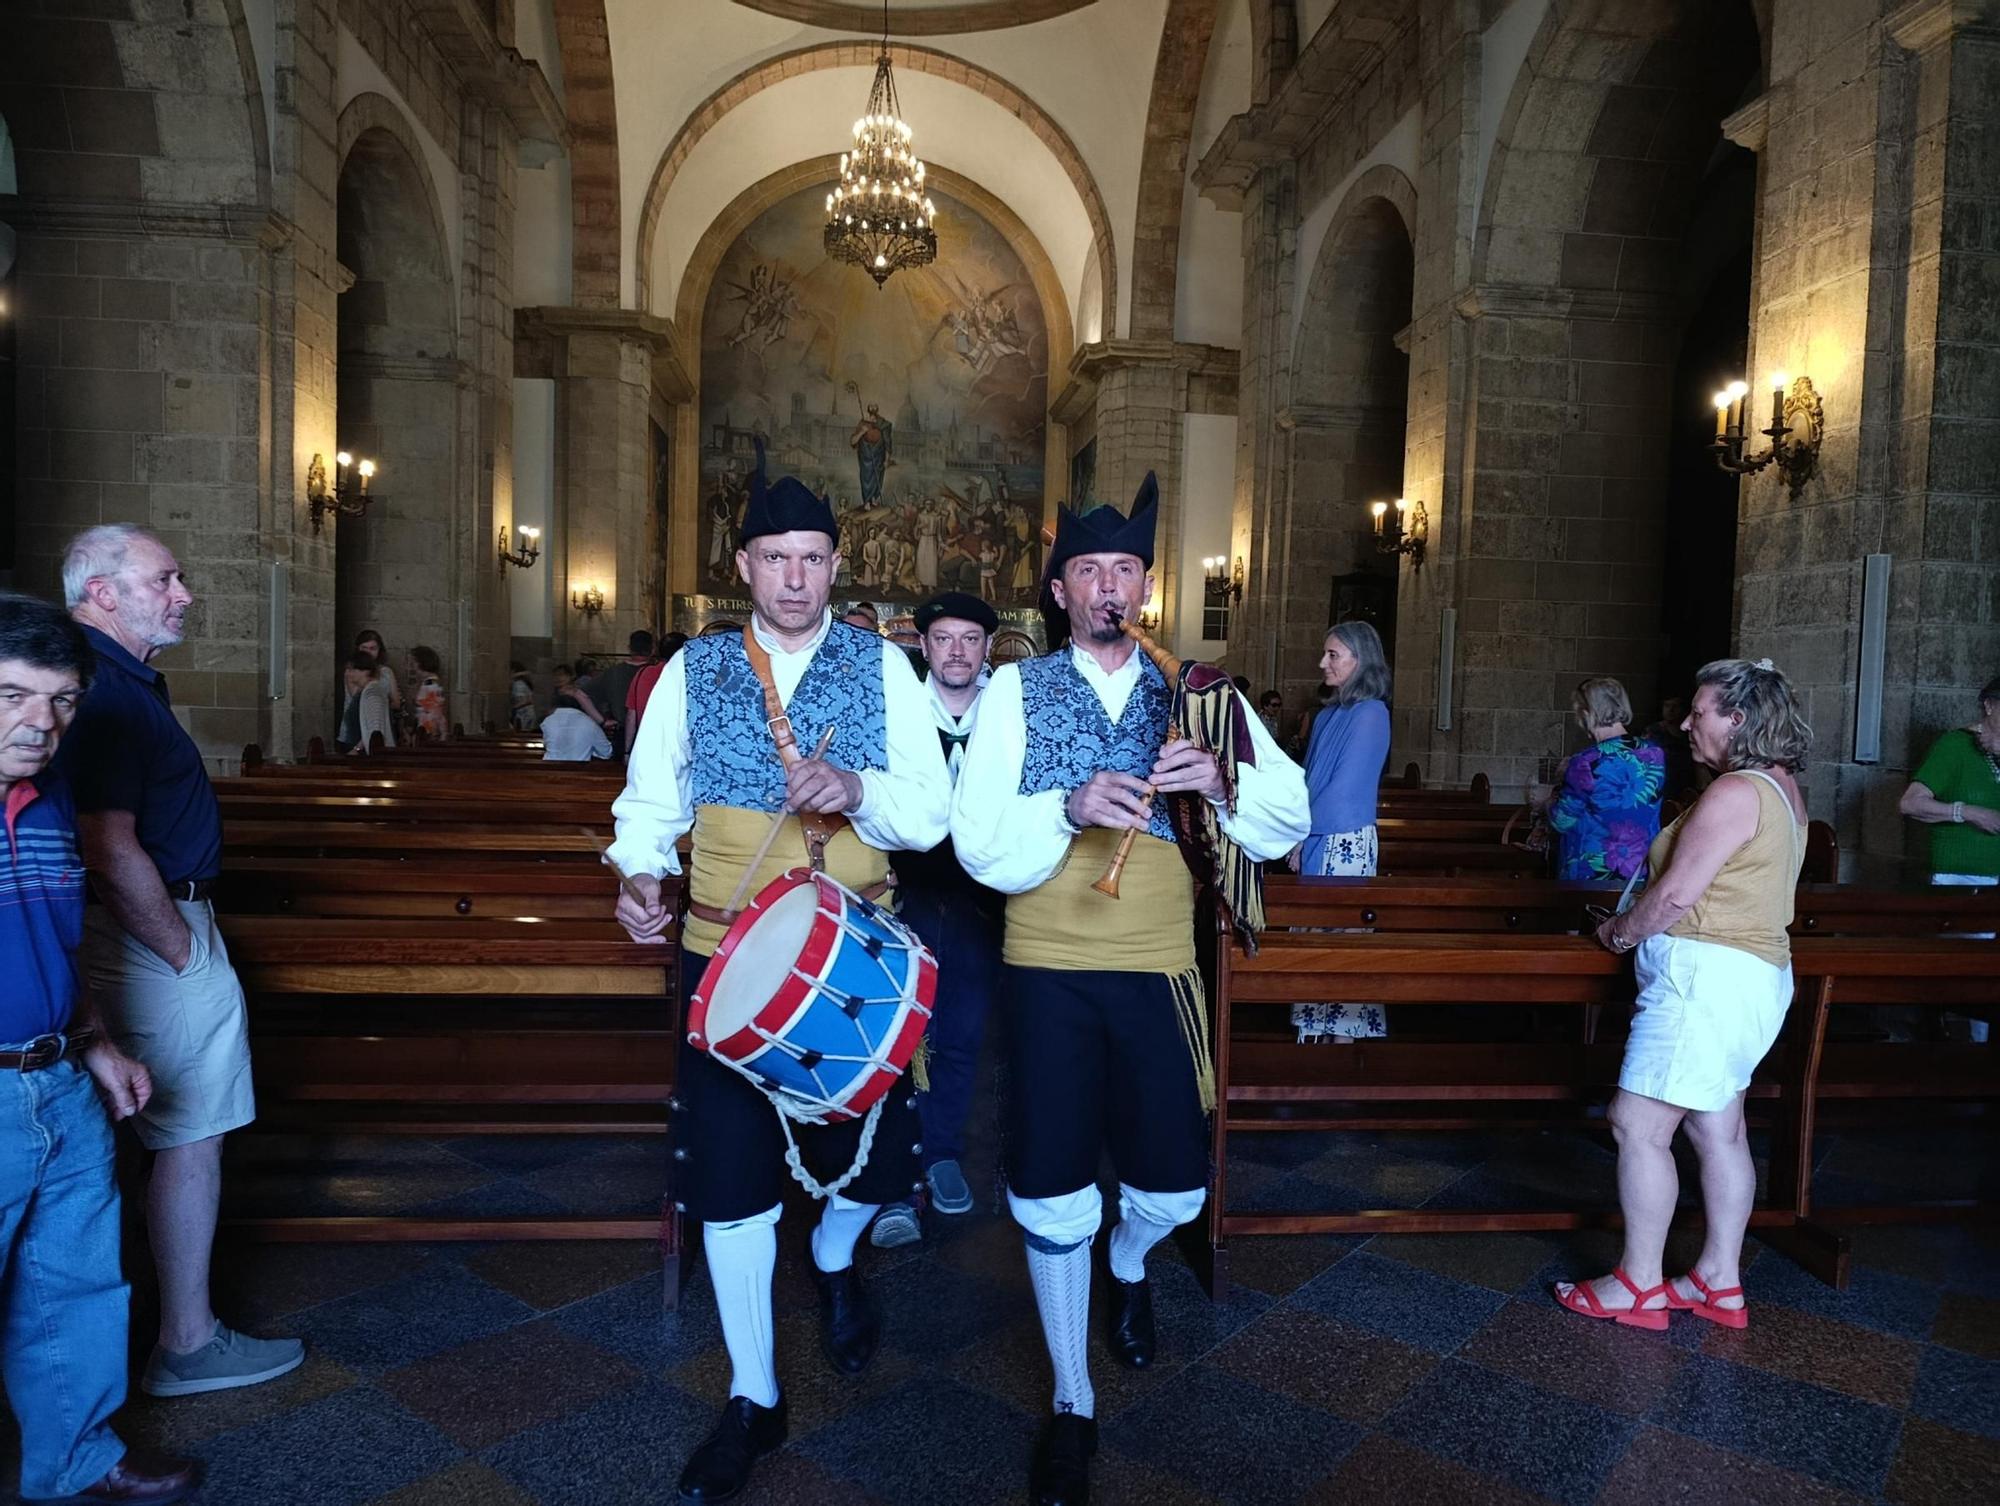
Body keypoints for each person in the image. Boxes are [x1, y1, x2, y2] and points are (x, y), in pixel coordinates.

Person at [952, 477, 1309, 1506]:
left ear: (1144, 587)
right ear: (1060, 592)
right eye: (1087, 572)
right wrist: (1065, 806)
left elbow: (1285, 819)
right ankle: (1071, 1400)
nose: (1106, 588)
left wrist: (1223, 782)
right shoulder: (1015, 693)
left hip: (1160, 964)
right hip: (1048, 968)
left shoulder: (1199, 691)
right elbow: (976, 844)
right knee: (1050, 1180)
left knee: (1172, 1187)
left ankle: (1128, 1258)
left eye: (1123, 571)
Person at [608, 445, 949, 1504]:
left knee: (877, 1171)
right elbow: (647, 804)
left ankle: (838, 1262)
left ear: (835, 566)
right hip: (728, 966)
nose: (794, 577)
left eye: (812, 558)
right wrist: (636, 876)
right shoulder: (692, 673)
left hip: (852, 964)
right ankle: (753, 1394)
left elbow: (930, 816)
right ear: (743, 565)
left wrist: (854, 784)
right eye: (774, 558)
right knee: (732, 1186)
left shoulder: (883, 667)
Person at [54, 525, 305, 1399]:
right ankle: (189, 1343)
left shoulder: (104, 679)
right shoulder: (108, 690)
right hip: (153, 933)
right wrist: (182, 948)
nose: (184, 593)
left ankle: (145, 1333)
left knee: (146, 1132)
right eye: (165, 578)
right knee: (191, 1131)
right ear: (102, 592)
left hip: (139, 929)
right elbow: (105, 839)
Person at [0, 593, 199, 1506]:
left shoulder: (47, 800)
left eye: (62, 701)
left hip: (57, 1074)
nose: (41, 724)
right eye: (12, 696)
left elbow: (55, 940)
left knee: (75, 1286)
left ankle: (77, 1455)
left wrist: (97, 1042)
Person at [1557, 658, 1810, 1332]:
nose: (1686, 722)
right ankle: (1717, 1281)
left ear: (1741, 719)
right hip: (1751, 978)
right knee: (1718, 1129)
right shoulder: (1783, 788)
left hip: (1705, 980)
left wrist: (1617, 933)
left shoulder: (1736, 792)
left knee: (1636, 1126)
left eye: (1700, 711)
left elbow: (1673, 895)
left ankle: (1638, 1284)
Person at [869, 591, 1004, 1251]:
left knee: (961, 1032)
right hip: (907, 895)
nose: (956, 651)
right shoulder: (898, 713)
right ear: (924, 647)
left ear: (987, 649)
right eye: (943, 638)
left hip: (981, 901)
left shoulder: (1007, 716)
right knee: (898, 1033)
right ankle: (894, 1172)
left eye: (969, 639)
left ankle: (944, 1150)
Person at [1290, 622, 1393, 1043]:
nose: (1323, 663)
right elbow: (1309, 781)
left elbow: (1345, 789)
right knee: (1312, 941)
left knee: (1341, 944)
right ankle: (1316, 1032)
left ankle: (1345, 1039)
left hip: (1344, 841)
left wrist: (1302, 836)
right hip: (1317, 835)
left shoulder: (1372, 713)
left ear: (1360, 659)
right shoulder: (1328, 715)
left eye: (1333, 655)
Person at [1899, 676, 2000, 1041]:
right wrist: (1969, 812)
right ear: (1988, 705)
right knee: (1973, 979)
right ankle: (1969, 1059)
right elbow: (1910, 803)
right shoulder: (1955, 745)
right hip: (1964, 879)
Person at [1544, 677, 1666, 882]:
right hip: (1639, 868)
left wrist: (1546, 801)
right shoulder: (1655, 753)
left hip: (1593, 872)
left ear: (1586, 713)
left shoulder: (1586, 761)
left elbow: (1562, 821)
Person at [583, 631, 657, 749]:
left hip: (621, 732)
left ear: (630, 648)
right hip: (654, 733)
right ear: (653, 649)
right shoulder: (658, 672)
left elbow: (583, 694)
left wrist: (603, 720)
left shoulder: (613, 672)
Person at [625, 632, 687, 754]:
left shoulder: (643, 673)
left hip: (646, 745)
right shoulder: (688, 675)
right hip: (678, 748)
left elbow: (631, 715)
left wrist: (627, 751)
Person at [336, 652, 396, 754]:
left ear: (365, 671)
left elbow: (375, 730)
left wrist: (357, 749)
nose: (348, 674)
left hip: (375, 753)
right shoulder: (368, 690)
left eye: (352, 670)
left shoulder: (373, 692)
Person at [539, 705, 613, 762]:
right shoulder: (589, 723)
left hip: (549, 769)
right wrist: (591, 750)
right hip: (579, 771)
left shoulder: (547, 721)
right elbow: (606, 753)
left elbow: (546, 745)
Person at [353, 628, 401, 713]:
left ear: (379, 650)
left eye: (372, 648)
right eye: (364, 648)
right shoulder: (352, 670)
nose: (368, 652)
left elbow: (396, 703)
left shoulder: (387, 672)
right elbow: (355, 698)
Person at [406, 645, 448, 741]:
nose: (412, 667)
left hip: (428, 735)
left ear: (421, 662)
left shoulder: (431, 685)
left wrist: (424, 734)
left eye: (413, 663)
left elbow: (432, 714)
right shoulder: (428, 683)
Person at [509, 661, 537, 731]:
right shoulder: (522, 682)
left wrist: (512, 708)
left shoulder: (518, 684)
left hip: (523, 714)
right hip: (528, 712)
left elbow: (525, 700)